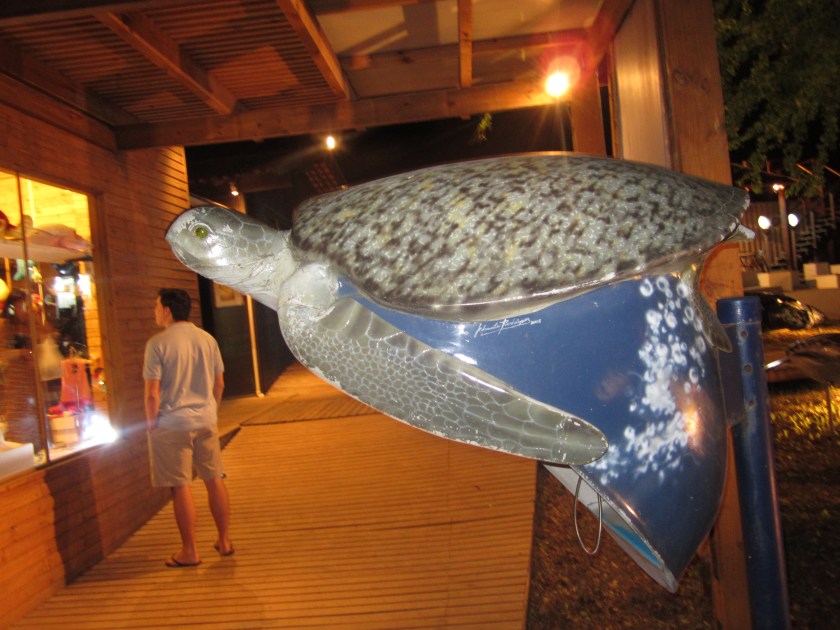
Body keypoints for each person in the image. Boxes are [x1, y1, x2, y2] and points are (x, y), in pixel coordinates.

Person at [143, 288, 233, 567]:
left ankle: (190, 551)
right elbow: (220, 384)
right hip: (206, 420)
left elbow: (152, 394)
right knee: (214, 478)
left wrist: (151, 424)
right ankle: (224, 540)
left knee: (180, 486)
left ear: (167, 310)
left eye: (156, 306)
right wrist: (211, 411)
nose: (154, 311)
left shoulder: (157, 344)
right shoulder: (207, 339)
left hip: (172, 424)